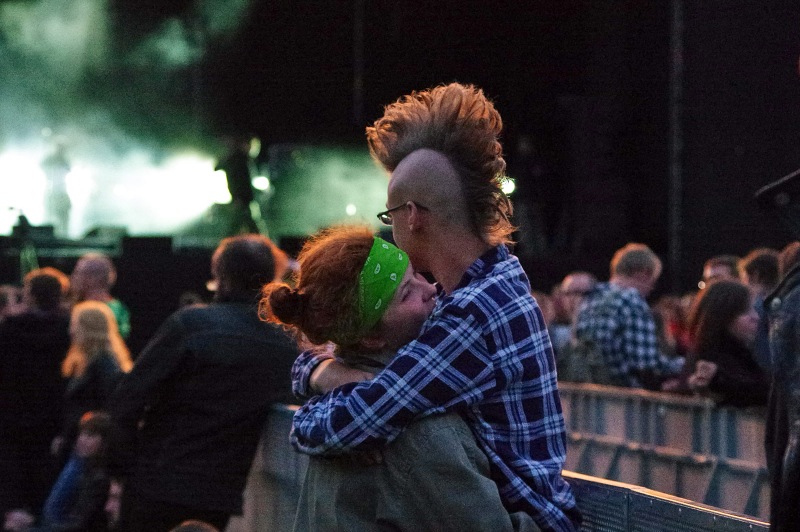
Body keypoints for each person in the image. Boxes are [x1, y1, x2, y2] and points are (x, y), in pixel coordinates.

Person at [290, 83, 579, 531]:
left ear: (412, 216)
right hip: (488, 512)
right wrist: (325, 372)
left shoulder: (473, 315)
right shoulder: (480, 283)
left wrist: (319, 395)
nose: (389, 230)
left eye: (388, 216)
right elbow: (337, 364)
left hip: (522, 522)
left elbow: (347, 424)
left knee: (407, 434)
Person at [263, 225, 537, 531]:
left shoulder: (336, 403)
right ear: (371, 338)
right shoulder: (421, 429)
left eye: (417, 273)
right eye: (407, 293)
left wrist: (318, 373)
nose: (430, 288)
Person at [108, 234, 299, 532]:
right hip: (218, 493)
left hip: (157, 480)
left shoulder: (191, 325)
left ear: (220, 273)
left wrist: (122, 467)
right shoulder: (284, 344)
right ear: (271, 277)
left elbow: (129, 396)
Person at [0, 268, 71, 519]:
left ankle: (14, 514)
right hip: (53, 410)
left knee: (12, 464)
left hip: (12, 409)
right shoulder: (67, 329)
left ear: (30, 295)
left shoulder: (9, 328)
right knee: (46, 466)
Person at [574, 243, 684, 389]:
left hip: (589, 392)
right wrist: (685, 365)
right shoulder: (631, 300)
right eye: (653, 282)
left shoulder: (590, 299)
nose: (651, 290)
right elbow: (646, 364)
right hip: (623, 396)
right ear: (644, 273)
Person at [4, 411, 114, 532]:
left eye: (90, 435)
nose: (82, 439)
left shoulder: (99, 478)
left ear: (104, 443)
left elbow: (78, 524)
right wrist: (30, 519)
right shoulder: (74, 464)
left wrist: (33, 526)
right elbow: (49, 504)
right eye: (81, 434)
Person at [53, 301, 131, 464]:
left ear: (88, 329)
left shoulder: (102, 363)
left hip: (88, 447)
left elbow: (107, 406)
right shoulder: (93, 362)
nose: (71, 331)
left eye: (75, 325)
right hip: (83, 442)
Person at [673, 280, 768, 407]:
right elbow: (752, 392)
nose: (756, 317)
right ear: (723, 316)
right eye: (746, 311)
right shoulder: (710, 360)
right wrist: (717, 379)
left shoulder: (741, 354)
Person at [71, 253, 131, 340]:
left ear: (93, 278)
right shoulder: (120, 309)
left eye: (78, 273)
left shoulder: (115, 311)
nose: (73, 277)